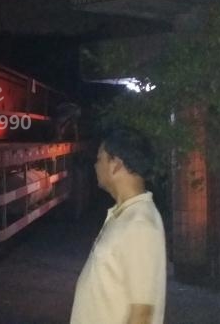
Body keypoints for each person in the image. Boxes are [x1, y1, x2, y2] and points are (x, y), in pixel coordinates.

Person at [70, 126, 166, 324]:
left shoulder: (140, 225)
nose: (95, 165)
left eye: (99, 159)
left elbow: (142, 314)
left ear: (115, 165)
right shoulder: (125, 215)